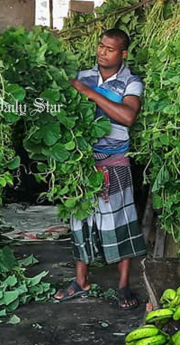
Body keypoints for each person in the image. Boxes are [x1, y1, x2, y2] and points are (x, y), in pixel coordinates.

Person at [53, 28, 146, 309]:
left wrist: (90, 94)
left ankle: (123, 286)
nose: (102, 52)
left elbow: (128, 116)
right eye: (101, 46)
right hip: (82, 162)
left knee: (120, 221)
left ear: (123, 53)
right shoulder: (83, 76)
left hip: (114, 161)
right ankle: (81, 281)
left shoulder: (131, 82)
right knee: (80, 221)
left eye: (110, 49)